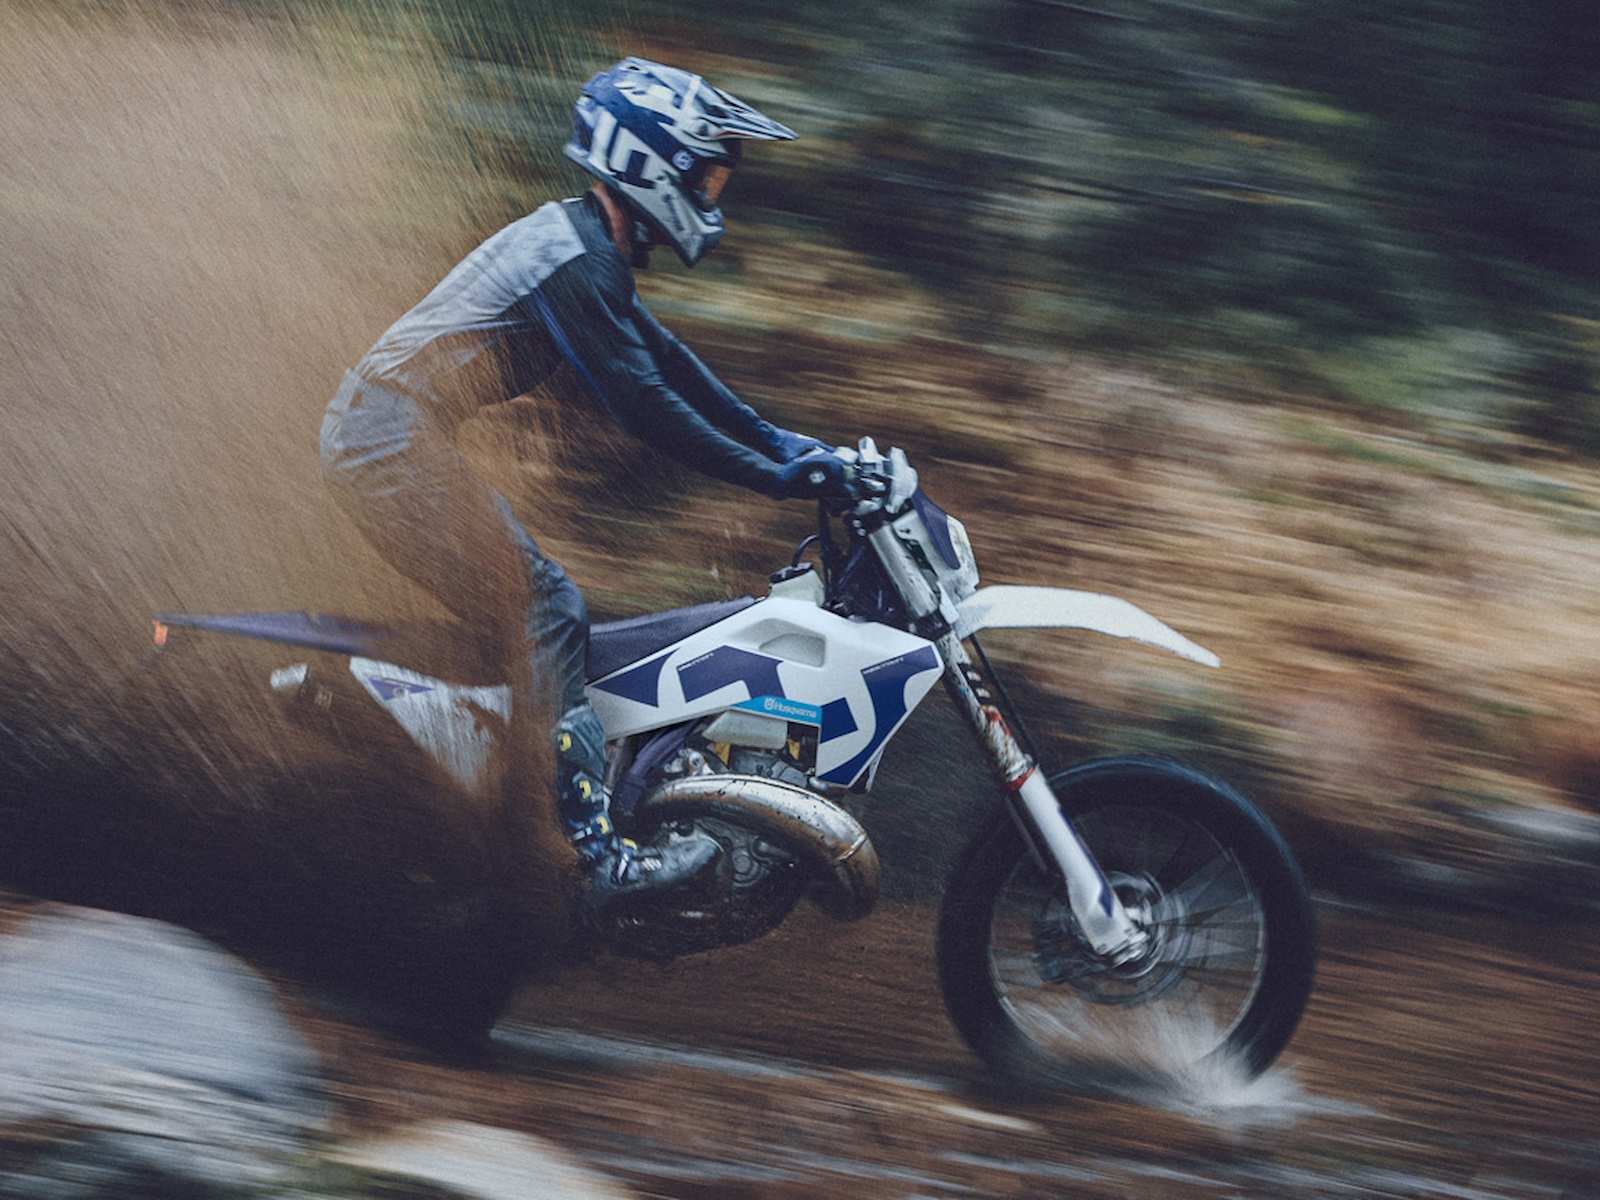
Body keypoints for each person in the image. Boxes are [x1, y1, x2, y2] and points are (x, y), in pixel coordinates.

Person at [319, 57, 857, 913]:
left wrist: (793, 446)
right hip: (383, 443)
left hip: (390, 435)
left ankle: (495, 809)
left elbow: (673, 365)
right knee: (550, 608)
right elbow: (646, 405)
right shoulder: (573, 260)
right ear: (649, 165)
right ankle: (589, 857)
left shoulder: (585, 246)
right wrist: (775, 475)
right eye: (704, 176)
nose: (711, 195)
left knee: (529, 624)